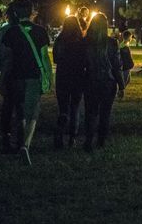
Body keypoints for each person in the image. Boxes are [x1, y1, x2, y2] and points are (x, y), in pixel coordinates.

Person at [1, 0, 53, 165]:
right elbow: (44, 57)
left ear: (16, 13)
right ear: (32, 12)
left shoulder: (11, 32)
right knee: (33, 113)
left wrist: (2, 77)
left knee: (20, 111)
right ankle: (25, 145)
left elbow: (8, 58)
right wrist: (49, 77)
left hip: (15, 77)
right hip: (34, 77)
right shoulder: (40, 31)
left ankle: (19, 141)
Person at [83, 13, 125, 150]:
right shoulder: (112, 43)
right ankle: (101, 142)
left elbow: (82, 64)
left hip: (90, 81)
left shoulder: (86, 42)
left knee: (90, 112)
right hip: (108, 82)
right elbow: (117, 67)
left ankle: (88, 141)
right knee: (105, 113)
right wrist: (121, 85)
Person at [0, 3, 20, 153]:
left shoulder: (3, 30)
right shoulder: (25, 29)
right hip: (22, 72)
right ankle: (21, 139)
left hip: (8, 71)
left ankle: (6, 137)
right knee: (20, 106)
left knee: (8, 105)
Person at [53, 16, 86, 149]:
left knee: (63, 108)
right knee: (75, 108)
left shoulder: (60, 40)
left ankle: (59, 134)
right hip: (78, 76)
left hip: (63, 76)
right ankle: (72, 138)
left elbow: (55, 59)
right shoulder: (81, 41)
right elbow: (85, 59)